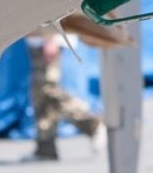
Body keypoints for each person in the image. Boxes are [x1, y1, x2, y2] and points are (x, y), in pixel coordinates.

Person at [23, 12, 126, 161]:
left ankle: (91, 124)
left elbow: (51, 5)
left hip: (47, 36)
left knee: (47, 89)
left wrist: (50, 39)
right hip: (37, 37)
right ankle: (45, 147)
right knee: (39, 93)